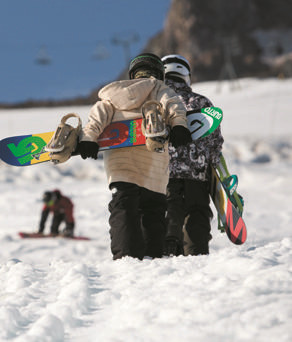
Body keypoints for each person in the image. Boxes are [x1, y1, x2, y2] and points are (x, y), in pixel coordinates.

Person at [77, 53, 191, 260]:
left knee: (123, 207)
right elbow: (174, 106)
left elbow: (97, 117)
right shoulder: (159, 88)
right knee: (154, 211)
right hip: (153, 162)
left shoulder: (112, 95)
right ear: (158, 73)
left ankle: (125, 257)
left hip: (121, 163)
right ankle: (152, 257)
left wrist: (88, 138)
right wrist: (179, 126)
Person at [161, 54, 224, 256]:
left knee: (170, 211)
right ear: (186, 76)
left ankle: (168, 247)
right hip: (197, 175)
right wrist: (212, 167)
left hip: (164, 174)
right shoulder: (201, 101)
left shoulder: (156, 103)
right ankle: (197, 255)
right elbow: (215, 142)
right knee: (197, 214)